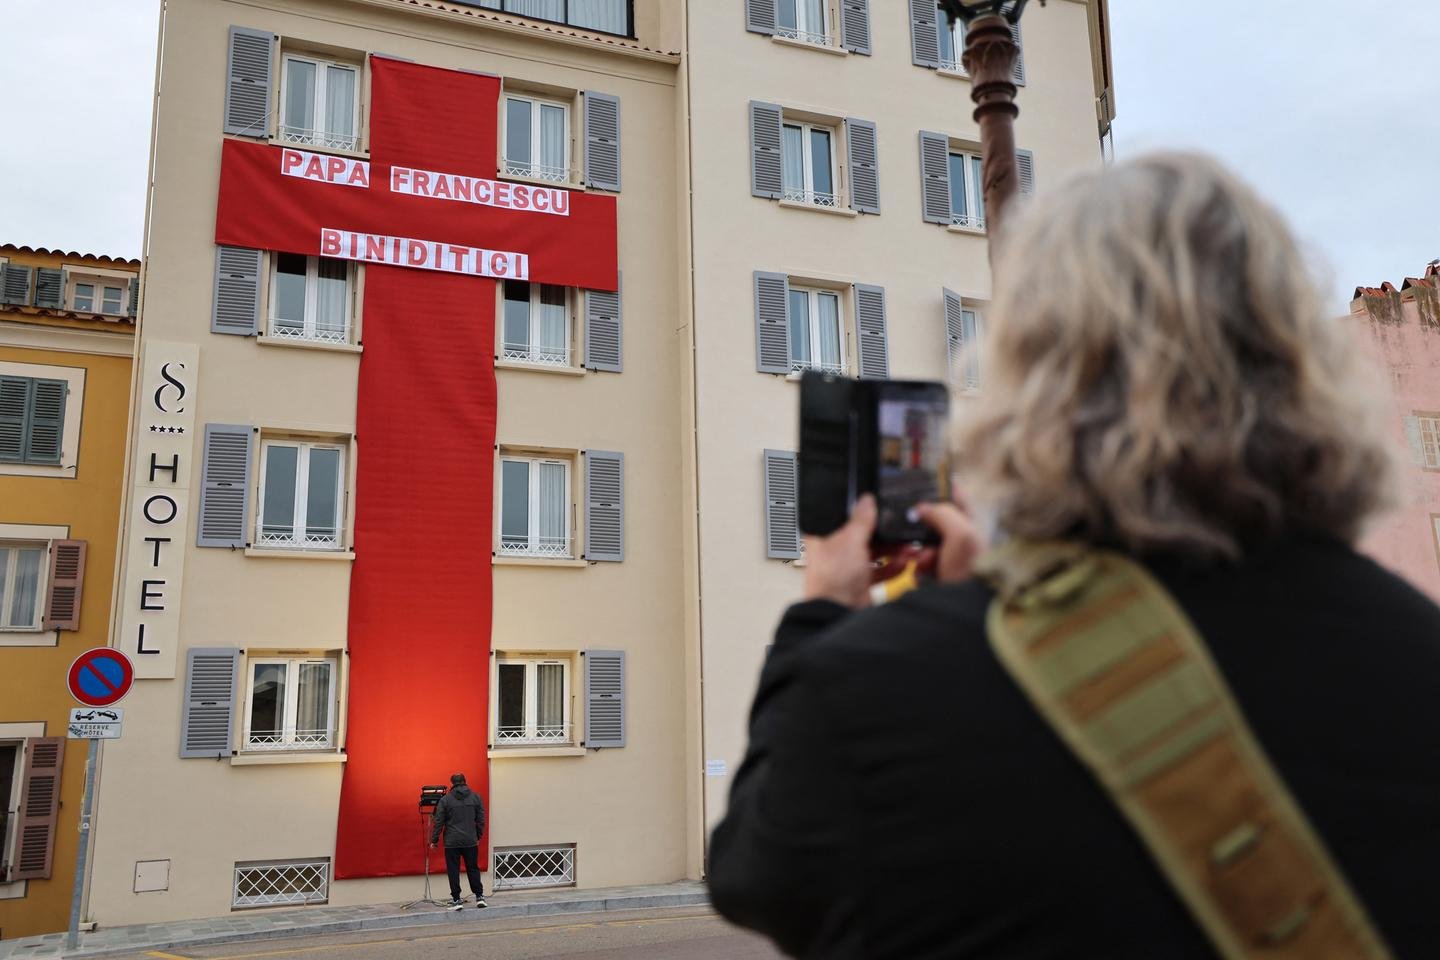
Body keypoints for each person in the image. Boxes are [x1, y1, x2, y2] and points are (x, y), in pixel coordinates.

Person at [707, 153, 1440, 958]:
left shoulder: (878, 686)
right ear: (1304, 367)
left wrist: (828, 616)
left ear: (1033, 379)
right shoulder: (1418, 648)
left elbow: (753, 875)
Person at [429, 773, 487, 909]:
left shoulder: (445, 800)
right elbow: (481, 820)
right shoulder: (476, 797)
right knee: (473, 868)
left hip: (452, 841)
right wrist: (477, 836)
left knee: (453, 870)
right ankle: (479, 896)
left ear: (452, 783)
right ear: (465, 782)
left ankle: (456, 899)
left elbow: (439, 822)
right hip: (470, 840)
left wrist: (434, 840)